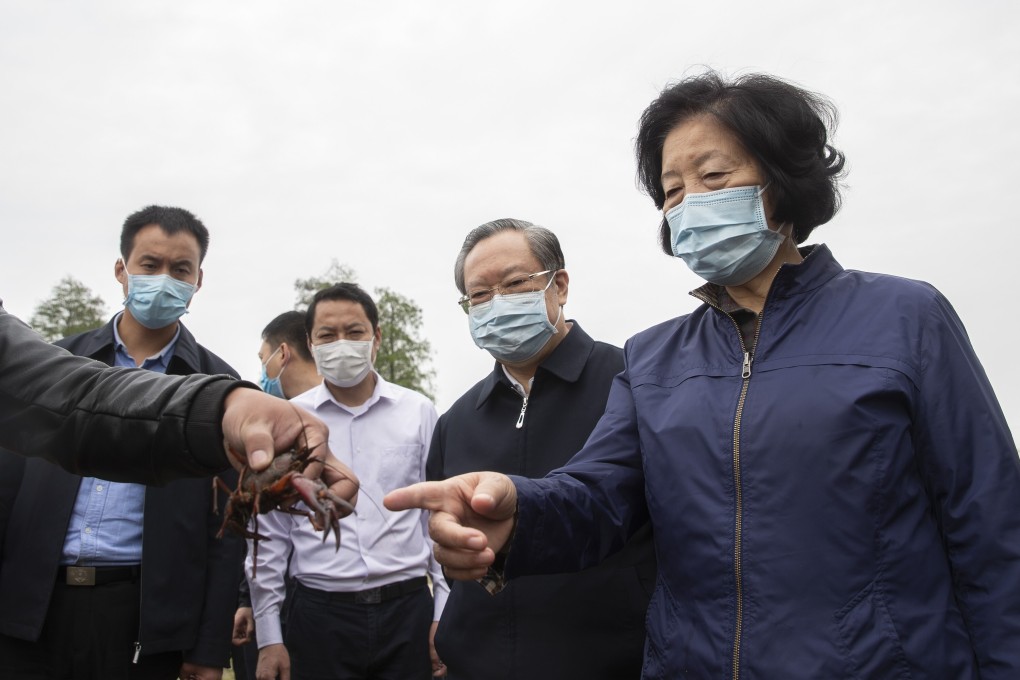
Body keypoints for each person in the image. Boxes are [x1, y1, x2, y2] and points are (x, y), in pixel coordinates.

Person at [386, 70, 1020, 679]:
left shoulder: (905, 318)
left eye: (714, 175)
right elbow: (599, 496)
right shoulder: (654, 357)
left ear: (781, 178)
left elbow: (988, 524)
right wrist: (518, 512)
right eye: (671, 190)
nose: (689, 201)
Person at [2, 206, 233, 680]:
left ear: (198, 281)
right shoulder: (53, 364)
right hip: (32, 610)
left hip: (143, 619)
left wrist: (208, 649)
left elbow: (226, 532)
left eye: (180, 269)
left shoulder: (220, 390)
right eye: (150, 265)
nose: (164, 279)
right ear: (121, 270)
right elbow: (5, 491)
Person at [426, 218, 654, 679]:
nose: (497, 303)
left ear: (560, 285)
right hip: (478, 664)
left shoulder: (634, 382)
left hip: (613, 662)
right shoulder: (456, 420)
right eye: (480, 295)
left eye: (514, 284)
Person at [250, 283, 448, 680]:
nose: (341, 343)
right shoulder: (288, 420)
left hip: (407, 610)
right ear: (311, 342)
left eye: (354, 332)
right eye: (327, 334)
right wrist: (269, 635)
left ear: (376, 337)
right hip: (319, 616)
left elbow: (437, 518)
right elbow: (268, 534)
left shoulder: (418, 413)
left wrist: (443, 613)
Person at [0, 303, 357, 493]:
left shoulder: (218, 374)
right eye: (150, 265)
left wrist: (222, 404)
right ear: (121, 269)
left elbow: (74, 396)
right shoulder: (69, 351)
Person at [232, 311, 323, 680]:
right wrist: (247, 598)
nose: (261, 371)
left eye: (262, 359)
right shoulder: (260, 428)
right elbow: (261, 521)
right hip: (272, 604)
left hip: (315, 607)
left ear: (281, 355)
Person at [258, 311, 321, 400]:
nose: (262, 376)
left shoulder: (282, 413)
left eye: (262, 358)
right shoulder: (344, 395)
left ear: (283, 353)